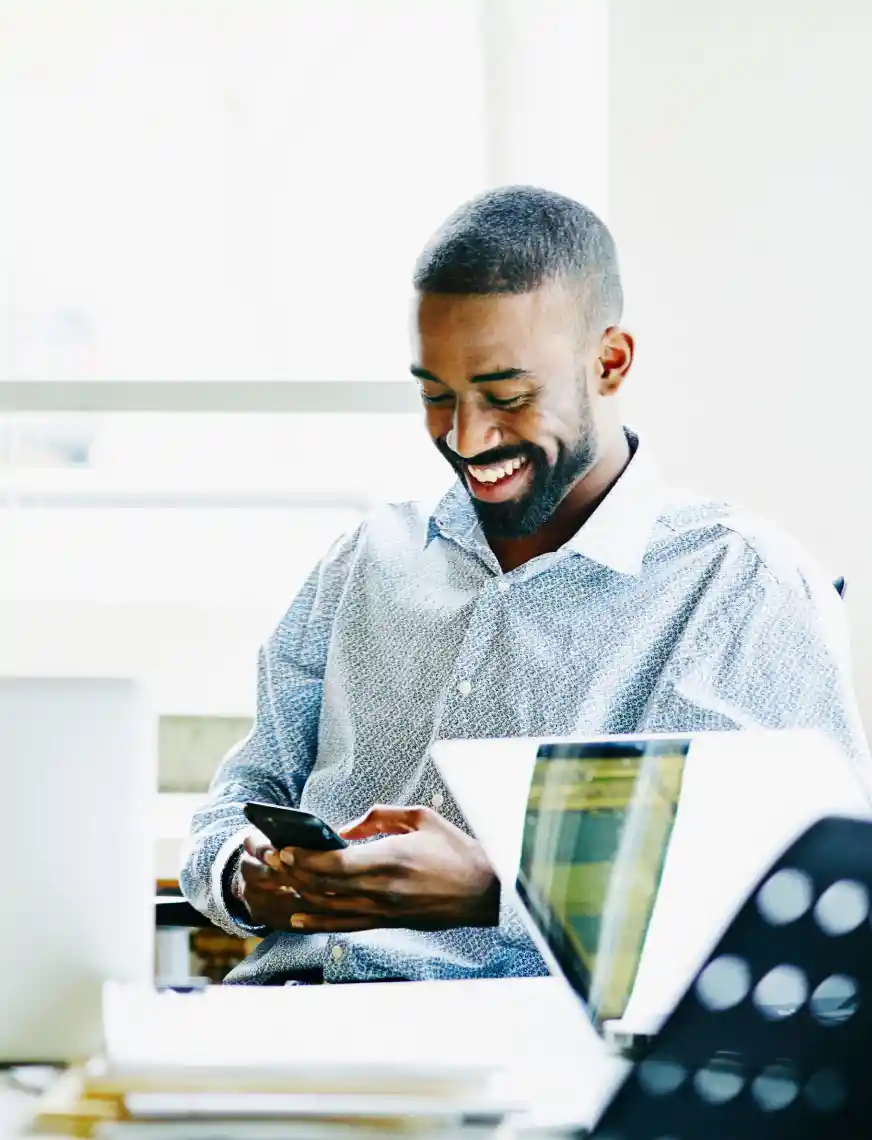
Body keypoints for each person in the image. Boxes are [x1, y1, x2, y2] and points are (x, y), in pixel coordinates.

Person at [181, 186, 869, 984]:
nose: (467, 437)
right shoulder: (367, 558)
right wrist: (244, 870)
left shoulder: (736, 586)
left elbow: (808, 900)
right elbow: (247, 787)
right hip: (275, 1021)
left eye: (507, 397)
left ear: (609, 363)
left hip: (522, 1063)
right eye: (436, 396)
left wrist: (496, 894)